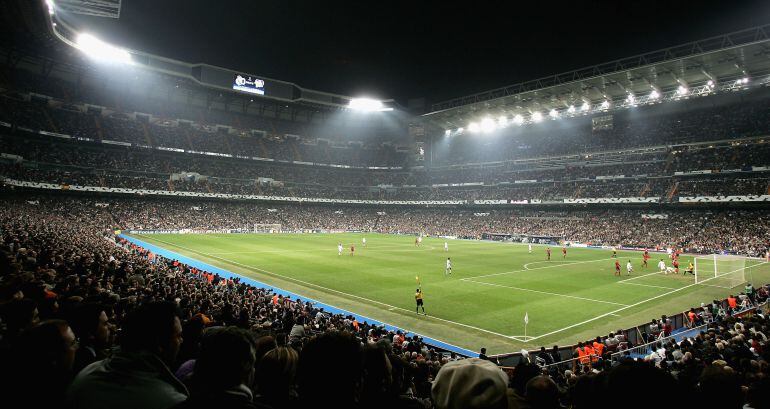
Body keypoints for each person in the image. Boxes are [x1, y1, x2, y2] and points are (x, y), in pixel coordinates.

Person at [67, 301, 189, 409]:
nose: (181, 340)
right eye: (178, 336)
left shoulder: (86, 373)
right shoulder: (172, 401)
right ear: (160, 343)